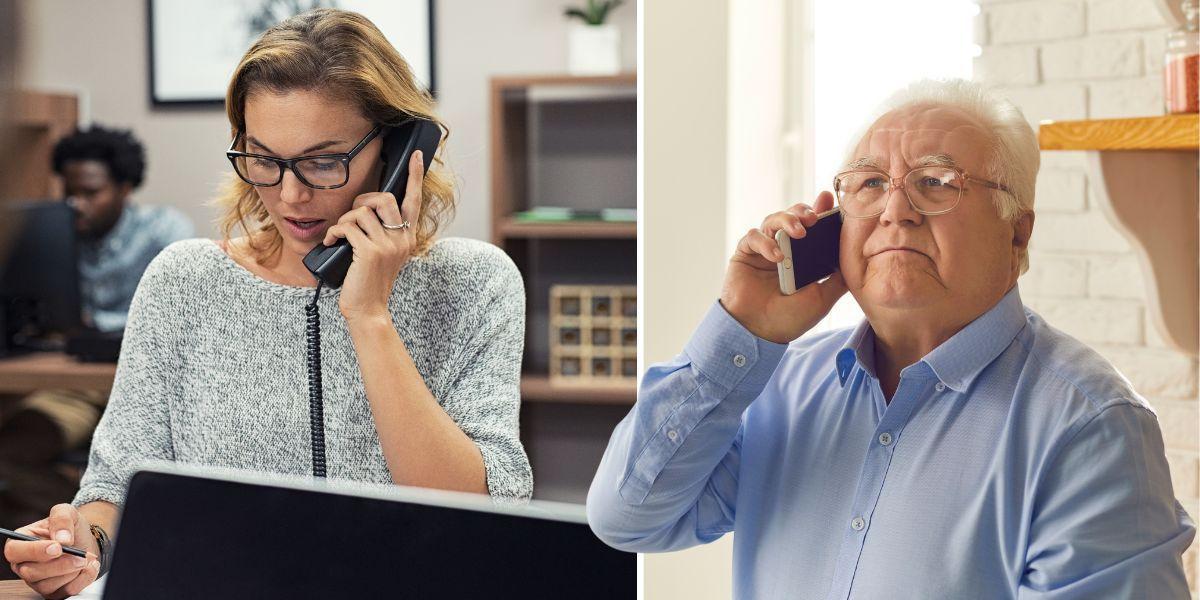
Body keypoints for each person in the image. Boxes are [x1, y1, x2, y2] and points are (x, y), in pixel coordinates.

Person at [587, 79, 1195, 598]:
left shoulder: (1090, 426)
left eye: (935, 182)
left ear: (1018, 233)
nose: (894, 211)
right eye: (870, 183)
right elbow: (627, 519)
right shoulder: (780, 384)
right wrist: (742, 330)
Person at [4, 9, 531, 598]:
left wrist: (369, 316)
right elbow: (115, 487)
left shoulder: (476, 284)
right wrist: (84, 546)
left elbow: (479, 518)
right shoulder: (184, 282)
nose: (290, 193)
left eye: (324, 160)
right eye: (263, 159)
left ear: (400, 150)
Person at [0, 125, 193, 532]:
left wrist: (97, 325)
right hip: (77, 387)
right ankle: (76, 526)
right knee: (10, 453)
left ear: (125, 188)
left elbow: (178, 314)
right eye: (70, 193)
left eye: (91, 193)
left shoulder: (165, 231)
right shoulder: (53, 236)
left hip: (148, 386)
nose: (77, 204)